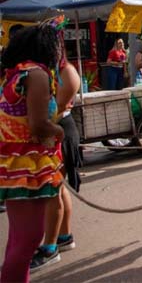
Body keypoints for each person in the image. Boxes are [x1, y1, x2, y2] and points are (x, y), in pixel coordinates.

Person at [0, 23, 65, 283]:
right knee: (28, 239)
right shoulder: (36, 74)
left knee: (18, 239)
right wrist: (59, 131)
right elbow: (38, 125)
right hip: (26, 165)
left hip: (15, 163)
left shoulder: (15, 74)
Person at [31, 54, 81, 272]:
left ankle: (50, 246)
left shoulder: (66, 71)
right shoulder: (44, 70)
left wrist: (39, 127)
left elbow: (57, 109)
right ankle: (64, 236)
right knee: (58, 190)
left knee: (54, 191)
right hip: (52, 131)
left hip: (60, 130)